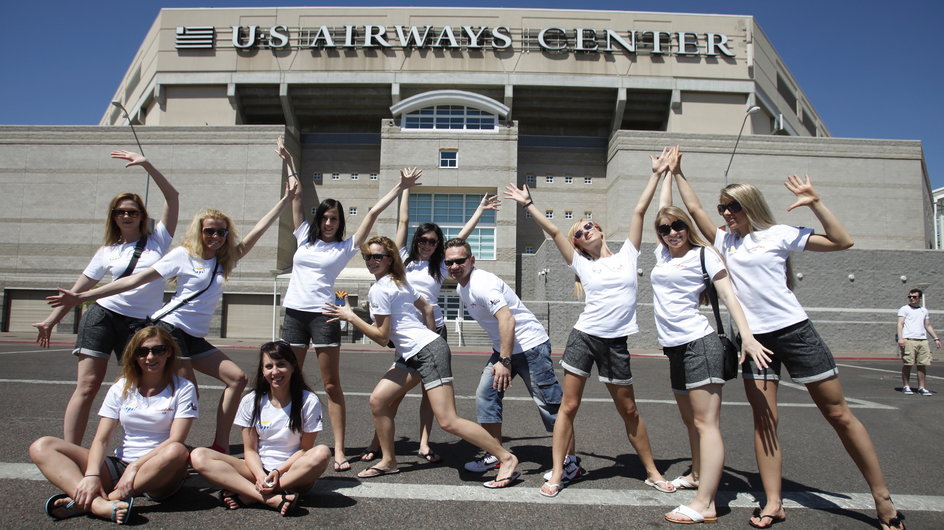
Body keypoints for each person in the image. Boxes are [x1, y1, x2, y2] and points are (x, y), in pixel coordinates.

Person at [673, 165, 904, 529]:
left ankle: (881, 497)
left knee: (839, 414)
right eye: (723, 208)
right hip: (754, 341)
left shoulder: (778, 234)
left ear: (750, 204)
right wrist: (678, 172)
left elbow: (843, 241)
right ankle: (774, 503)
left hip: (796, 333)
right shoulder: (724, 242)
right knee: (765, 422)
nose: (726, 212)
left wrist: (816, 203)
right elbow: (696, 209)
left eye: (733, 205)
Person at [48, 136, 297, 454]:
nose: (216, 236)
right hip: (169, 329)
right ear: (199, 231)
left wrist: (283, 202)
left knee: (235, 379)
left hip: (194, 336)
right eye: (210, 231)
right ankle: (166, 450)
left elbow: (257, 232)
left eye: (221, 231)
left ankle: (218, 445)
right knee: (186, 389)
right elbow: (134, 280)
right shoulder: (182, 255)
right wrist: (80, 297)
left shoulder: (224, 259)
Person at [504, 148, 675, 499]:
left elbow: (640, 210)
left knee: (628, 409)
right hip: (584, 337)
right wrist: (528, 204)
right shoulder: (582, 264)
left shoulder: (629, 253)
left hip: (616, 343)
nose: (585, 230)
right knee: (568, 406)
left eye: (587, 225)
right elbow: (553, 233)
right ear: (578, 246)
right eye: (579, 233)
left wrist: (657, 174)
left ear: (597, 229)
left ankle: (652, 471)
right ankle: (557, 472)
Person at [323, 236, 521, 488]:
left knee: (448, 421)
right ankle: (389, 460)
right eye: (367, 257)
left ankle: (506, 457)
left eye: (378, 257)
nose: (371, 261)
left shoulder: (381, 288)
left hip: (427, 351)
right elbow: (426, 308)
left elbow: (382, 338)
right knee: (379, 400)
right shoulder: (399, 281)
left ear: (390, 259)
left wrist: (350, 316)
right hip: (415, 352)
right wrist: (429, 336)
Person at [652, 149, 773, 524]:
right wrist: (665, 174)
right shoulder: (662, 255)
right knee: (691, 422)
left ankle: (707, 503)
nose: (671, 233)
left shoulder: (705, 256)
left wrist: (748, 338)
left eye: (678, 227)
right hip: (673, 348)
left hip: (700, 345)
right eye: (665, 229)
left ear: (689, 228)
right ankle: (698, 474)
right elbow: (664, 208)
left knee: (707, 424)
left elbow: (729, 298)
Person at [280, 160, 422, 472]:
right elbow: (297, 197)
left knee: (332, 386)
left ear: (340, 222)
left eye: (335, 219)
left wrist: (400, 187)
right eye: (326, 217)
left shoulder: (345, 247)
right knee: (288, 381)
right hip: (293, 315)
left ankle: (339, 450)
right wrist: (289, 161)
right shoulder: (304, 236)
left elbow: (372, 214)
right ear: (319, 219)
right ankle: (288, 443)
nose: (329, 223)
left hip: (325, 316)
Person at [32, 150, 179, 445]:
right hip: (102, 317)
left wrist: (147, 165)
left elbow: (173, 197)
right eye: (120, 211)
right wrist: (50, 321)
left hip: (140, 326)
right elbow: (75, 293)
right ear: (113, 216)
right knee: (87, 386)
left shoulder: (158, 240)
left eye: (133, 211)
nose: (126, 215)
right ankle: (71, 449)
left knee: (139, 386)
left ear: (141, 216)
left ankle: (140, 449)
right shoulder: (107, 251)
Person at [359, 189, 501, 464]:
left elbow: (463, 238)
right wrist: (405, 188)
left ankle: (425, 443)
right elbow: (402, 223)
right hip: (407, 331)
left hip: (433, 329)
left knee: (429, 392)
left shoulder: (441, 267)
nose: (427, 244)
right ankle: (377, 442)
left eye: (433, 242)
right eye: (423, 239)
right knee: (394, 391)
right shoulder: (402, 261)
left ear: (439, 245)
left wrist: (480, 211)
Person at [29, 326, 197, 524]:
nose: (150, 357)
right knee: (42, 446)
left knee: (177, 450)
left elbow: (175, 439)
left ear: (168, 351)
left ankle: (101, 500)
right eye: (142, 352)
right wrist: (92, 475)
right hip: (119, 465)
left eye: (158, 350)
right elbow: (102, 439)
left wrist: (134, 466)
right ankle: (98, 504)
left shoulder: (183, 388)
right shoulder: (122, 387)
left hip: (159, 468)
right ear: (134, 356)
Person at [443, 238, 575, 479]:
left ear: (471, 260)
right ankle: (495, 454)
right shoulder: (463, 288)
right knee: (486, 395)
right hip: (504, 348)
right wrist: (503, 356)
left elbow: (507, 319)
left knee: (550, 404)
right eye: (449, 262)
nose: (454, 266)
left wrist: (504, 362)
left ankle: (570, 461)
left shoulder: (482, 283)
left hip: (530, 346)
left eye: (460, 260)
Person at [190, 341, 330, 516]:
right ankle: (270, 498)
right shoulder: (251, 400)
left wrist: (278, 472)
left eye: (281, 365)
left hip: (293, 473)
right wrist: (259, 476)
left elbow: (304, 450)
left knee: (322, 453)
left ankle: (252, 495)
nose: (275, 372)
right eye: (269, 366)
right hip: (257, 470)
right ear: (262, 371)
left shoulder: (308, 400)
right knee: (199, 456)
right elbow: (249, 450)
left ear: (293, 367)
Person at [897, 288, 940, 396]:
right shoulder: (904, 309)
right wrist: (900, 338)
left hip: (922, 340)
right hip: (909, 340)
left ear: (919, 298)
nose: (912, 298)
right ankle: (906, 386)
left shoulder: (923, 310)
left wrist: (936, 338)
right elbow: (900, 324)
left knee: (922, 365)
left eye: (914, 297)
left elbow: (928, 325)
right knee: (908, 364)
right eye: (910, 296)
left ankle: (921, 387)